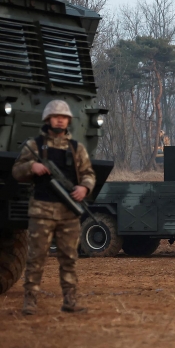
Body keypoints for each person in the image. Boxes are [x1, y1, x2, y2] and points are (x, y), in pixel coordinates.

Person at [12, 100, 95, 315]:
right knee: (36, 257)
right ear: (48, 119)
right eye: (56, 116)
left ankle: (70, 301)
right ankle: (29, 302)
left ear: (68, 120)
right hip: (42, 210)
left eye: (64, 116)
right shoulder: (34, 146)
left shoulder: (77, 148)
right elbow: (17, 172)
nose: (60, 119)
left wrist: (84, 188)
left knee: (69, 258)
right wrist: (32, 166)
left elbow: (88, 174)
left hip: (68, 212)